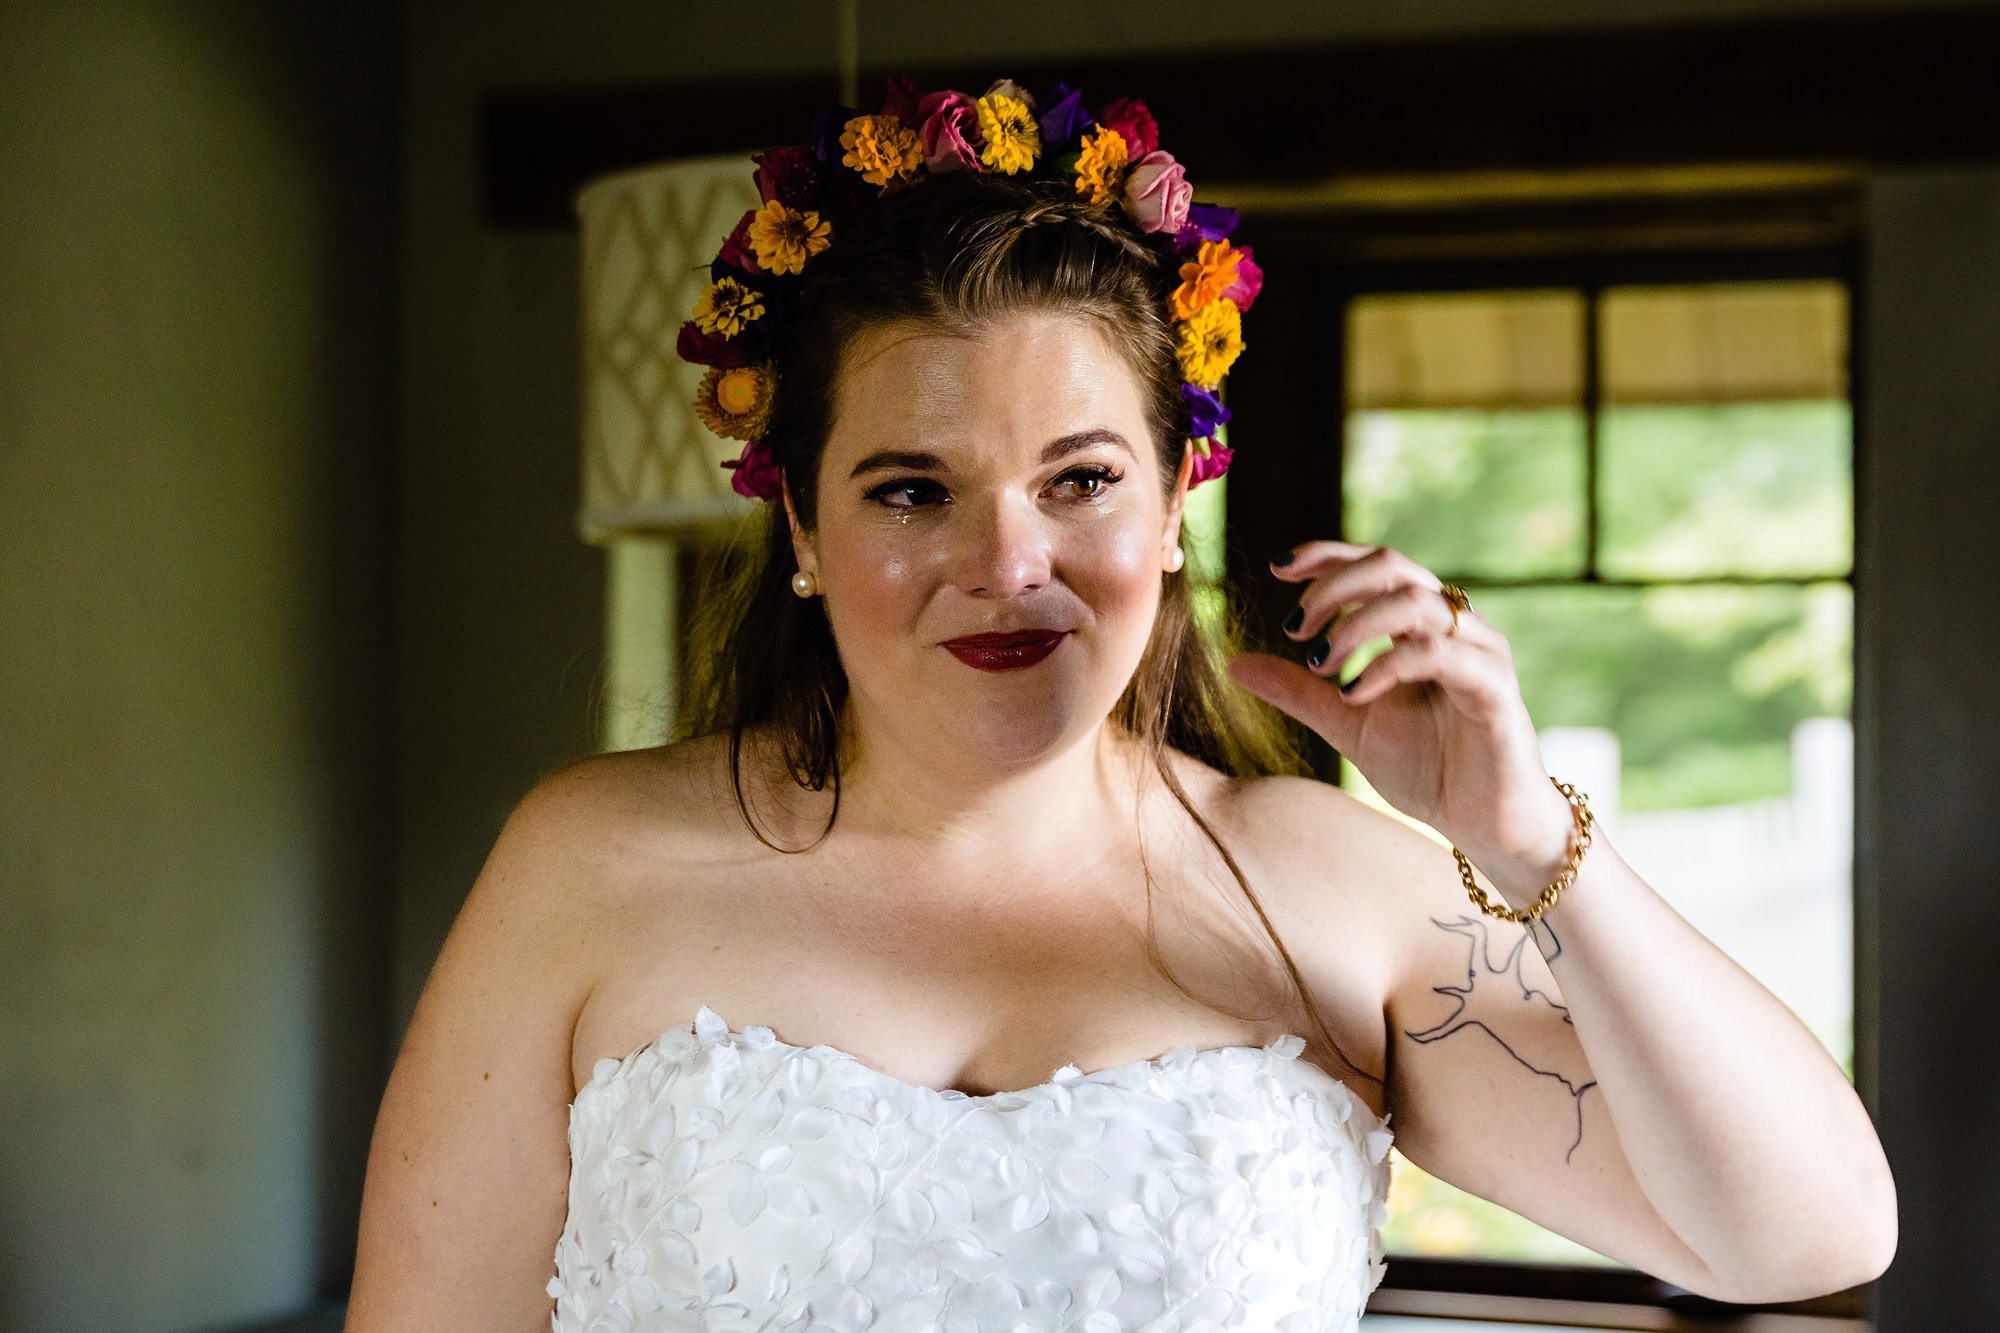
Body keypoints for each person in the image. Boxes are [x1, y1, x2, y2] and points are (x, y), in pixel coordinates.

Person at [345, 80, 1895, 1333]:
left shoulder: (1321, 890)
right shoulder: (589, 863)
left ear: (1170, 510)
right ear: (806, 535)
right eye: (909, 489)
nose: (1007, 562)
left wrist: (1520, 833)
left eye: (1079, 480)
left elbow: (1806, 1231)